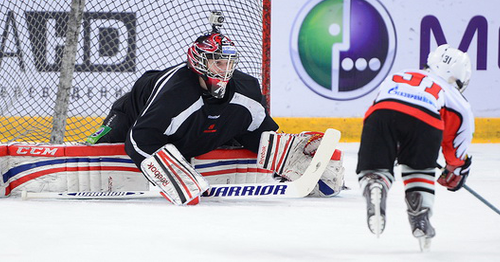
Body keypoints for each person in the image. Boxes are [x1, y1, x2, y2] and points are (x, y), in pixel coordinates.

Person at [87, 14, 344, 205]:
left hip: (191, 132)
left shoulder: (246, 90)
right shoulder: (175, 93)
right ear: (198, 61)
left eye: (229, 63)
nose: (225, 70)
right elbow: (140, 138)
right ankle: (99, 140)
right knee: (104, 144)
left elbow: (260, 134)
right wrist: (174, 175)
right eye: (218, 63)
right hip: (132, 114)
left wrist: (294, 159)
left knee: (232, 132)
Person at [356, 44, 473, 250]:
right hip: (426, 120)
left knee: (375, 168)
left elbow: (381, 104)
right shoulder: (455, 96)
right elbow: (456, 140)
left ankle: (376, 184)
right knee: (419, 169)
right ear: (458, 77)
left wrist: (395, 145)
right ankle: (420, 216)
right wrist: (456, 168)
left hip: (381, 114)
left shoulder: (401, 74)